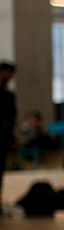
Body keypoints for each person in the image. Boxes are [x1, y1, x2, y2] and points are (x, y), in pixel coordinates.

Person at [0, 61, 16, 209]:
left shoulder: (9, 95)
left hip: (3, 138)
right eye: (8, 72)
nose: (10, 76)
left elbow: (12, 118)